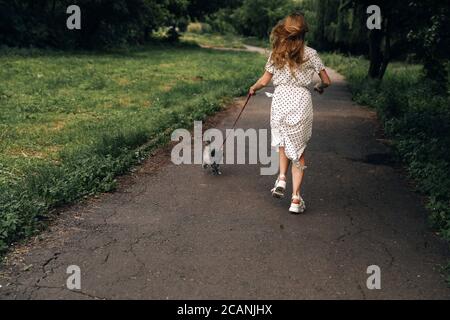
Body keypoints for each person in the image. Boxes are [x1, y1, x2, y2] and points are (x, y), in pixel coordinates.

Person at [249, 12, 331, 214]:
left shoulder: (277, 52)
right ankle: (295, 198)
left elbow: (264, 81)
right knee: (299, 150)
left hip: (280, 100)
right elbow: (327, 80)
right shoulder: (311, 53)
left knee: (284, 143)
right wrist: (319, 87)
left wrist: (253, 88)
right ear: (304, 32)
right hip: (301, 101)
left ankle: (282, 178)